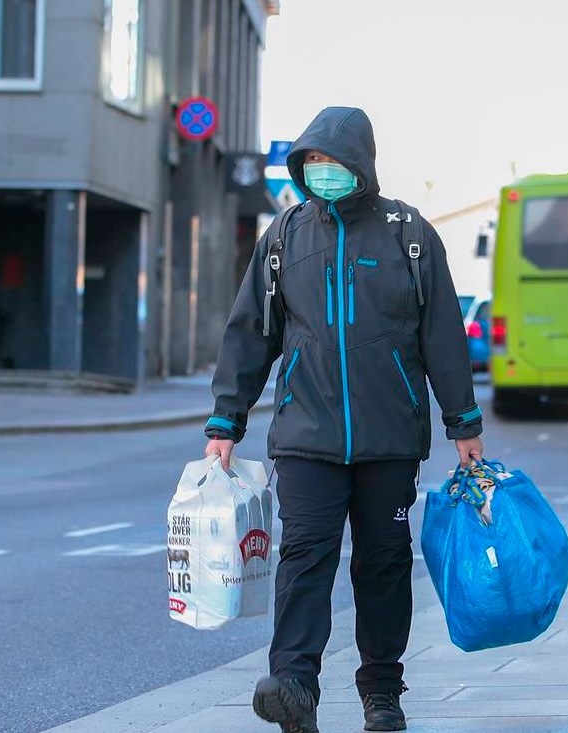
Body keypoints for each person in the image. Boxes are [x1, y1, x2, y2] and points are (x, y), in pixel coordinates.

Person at [202, 107, 483, 733]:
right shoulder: (284, 238)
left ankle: (382, 692)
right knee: (303, 555)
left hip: (390, 438)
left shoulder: (407, 233)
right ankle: (294, 686)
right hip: (306, 436)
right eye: (313, 164)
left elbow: (442, 334)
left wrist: (463, 424)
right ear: (302, 169)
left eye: (334, 162)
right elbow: (252, 333)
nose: (323, 173)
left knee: (383, 562)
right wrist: (226, 422)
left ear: (362, 163)